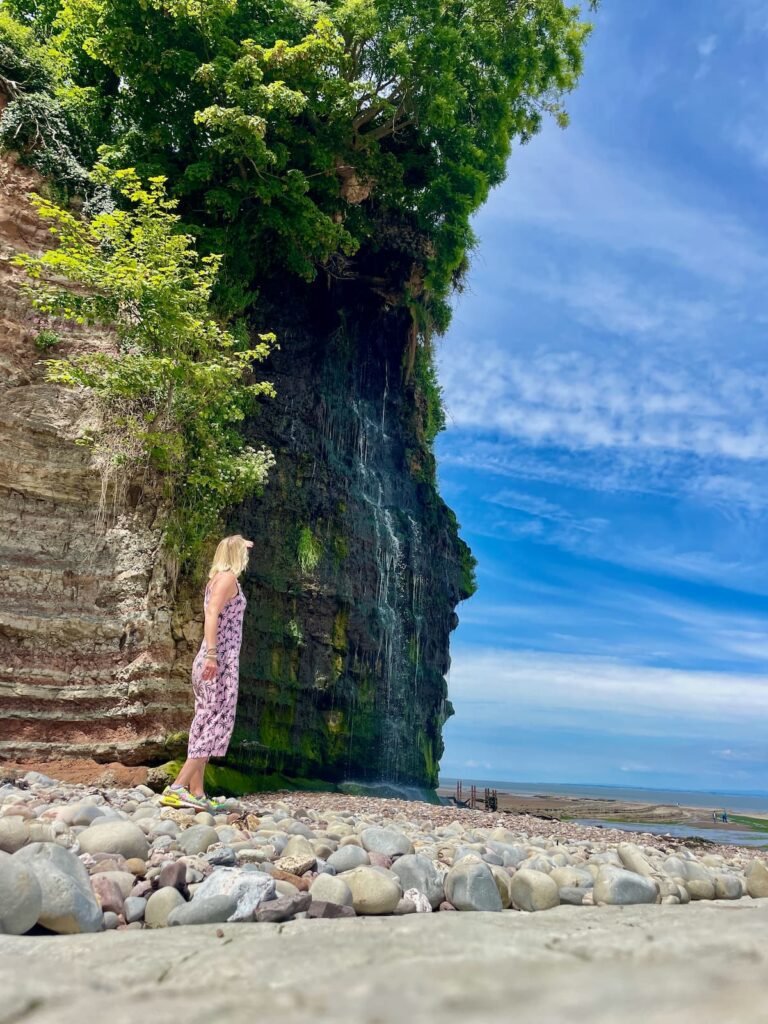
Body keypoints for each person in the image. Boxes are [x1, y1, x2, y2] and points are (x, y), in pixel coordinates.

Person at [161, 534, 252, 811]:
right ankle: (176, 788)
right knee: (216, 722)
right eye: (245, 553)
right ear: (238, 555)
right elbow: (212, 614)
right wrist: (213, 655)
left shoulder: (215, 579)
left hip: (209, 660)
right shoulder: (228, 579)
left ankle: (196, 792)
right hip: (218, 661)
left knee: (204, 721)